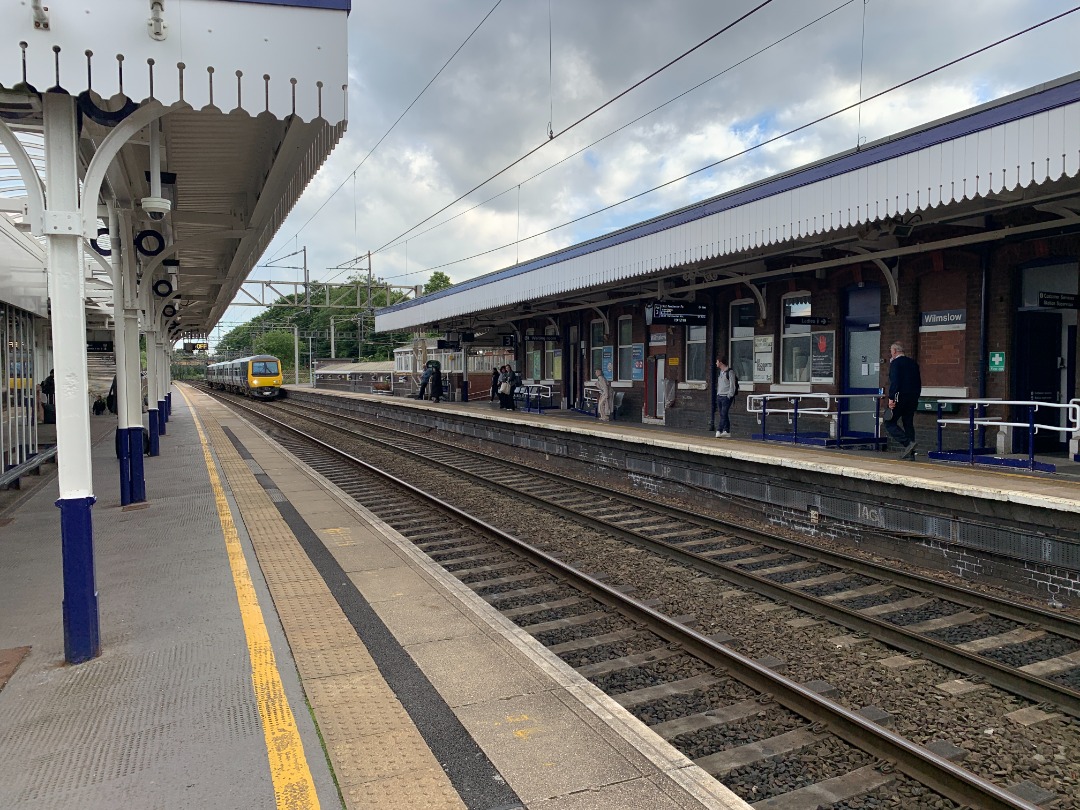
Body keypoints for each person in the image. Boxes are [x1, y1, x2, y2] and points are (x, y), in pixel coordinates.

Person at [884, 341, 922, 459]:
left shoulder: (896, 363)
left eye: (891, 351)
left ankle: (907, 443)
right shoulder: (913, 363)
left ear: (894, 351)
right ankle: (911, 454)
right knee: (908, 423)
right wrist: (916, 397)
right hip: (912, 398)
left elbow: (895, 382)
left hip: (899, 397)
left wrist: (891, 398)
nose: (891, 354)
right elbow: (918, 382)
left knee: (889, 422)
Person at [714, 357, 737, 438]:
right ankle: (727, 431)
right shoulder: (720, 372)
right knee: (723, 414)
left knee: (723, 413)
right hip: (719, 396)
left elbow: (732, 385)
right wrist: (718, 394)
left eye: (717, 362)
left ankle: (719, 430)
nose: (716, 363)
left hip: (726, 397)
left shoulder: (730, 372)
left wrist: (729, 396)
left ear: (721, 363)